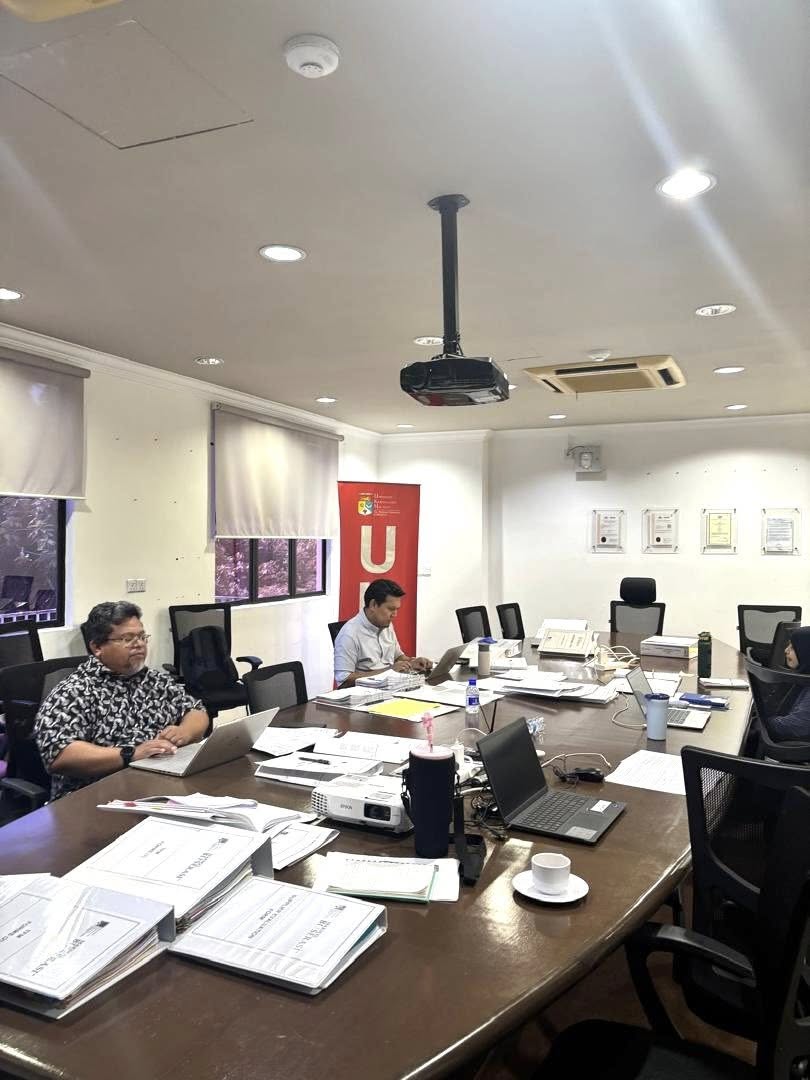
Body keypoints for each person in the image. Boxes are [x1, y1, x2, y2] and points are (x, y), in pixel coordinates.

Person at [35, 601, 209, 799]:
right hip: (94, 796)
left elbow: (197, 711)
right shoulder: (74, 692)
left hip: (158, 785)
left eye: (142, 637)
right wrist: (130, 754)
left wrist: (184, 731)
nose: (139, 644)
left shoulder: (155, 680)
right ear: (97, 647)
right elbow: (60, 754)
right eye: (127, 639)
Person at [334, 579, 433, 687]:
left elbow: (398, 657)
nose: (395, 614)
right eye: (391, 609)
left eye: (397, 609)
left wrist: (412, 662)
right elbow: (344, 680)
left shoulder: (386, 624)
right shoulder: (349, 634)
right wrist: (389, 671)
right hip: (367, 692)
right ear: (373, 605)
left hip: (392, 686)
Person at [768, 626, 810, 741]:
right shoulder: (804, 676)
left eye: (792, 648)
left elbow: (796, 725)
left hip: (795, 746)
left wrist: (762, 722)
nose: (786, 650)